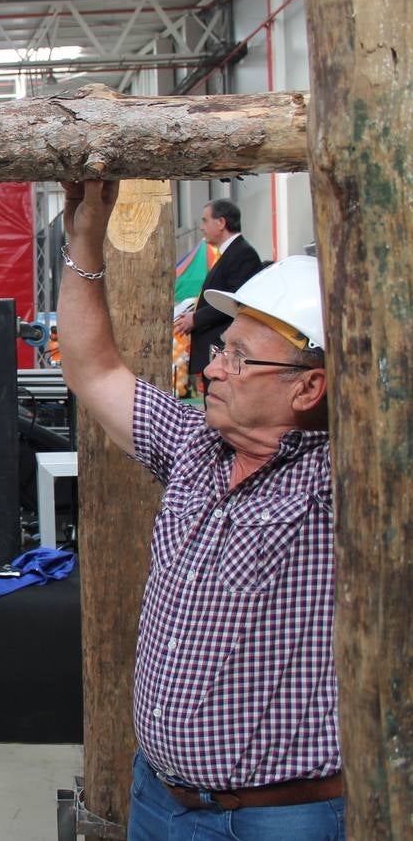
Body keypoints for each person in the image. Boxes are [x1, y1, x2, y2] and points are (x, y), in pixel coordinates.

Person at [58, 180, 339, 840]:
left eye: (239, 358)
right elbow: (93, 368)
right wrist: (83, 239)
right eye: (220, 350)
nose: (214, 369)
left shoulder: (340, 484)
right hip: (160, 800)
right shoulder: (194, 446)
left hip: (286, 819)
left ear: (309, 385)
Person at [172, 199, 264, 392]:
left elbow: (234, 300)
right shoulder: (230, 254)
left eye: (205, 221)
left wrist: (196, 318)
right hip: (214, 348)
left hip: (223, 348)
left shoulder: (242, 254)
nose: (201, 227)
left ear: (221, 223)